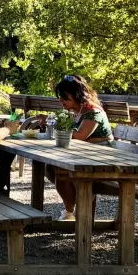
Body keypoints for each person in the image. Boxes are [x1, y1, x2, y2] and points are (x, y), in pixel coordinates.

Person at [46, 74, 114, 221]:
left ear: (77, 96)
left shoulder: (92, 111)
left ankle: (73, 212)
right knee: (50, 167)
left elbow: (79, 135)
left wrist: (56, 126)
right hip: (86, 154)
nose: (61, 101)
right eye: (61, 97)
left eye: (65, 98)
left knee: (61, 171)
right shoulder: (78, 111)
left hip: (103, 157)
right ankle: (72, 210)